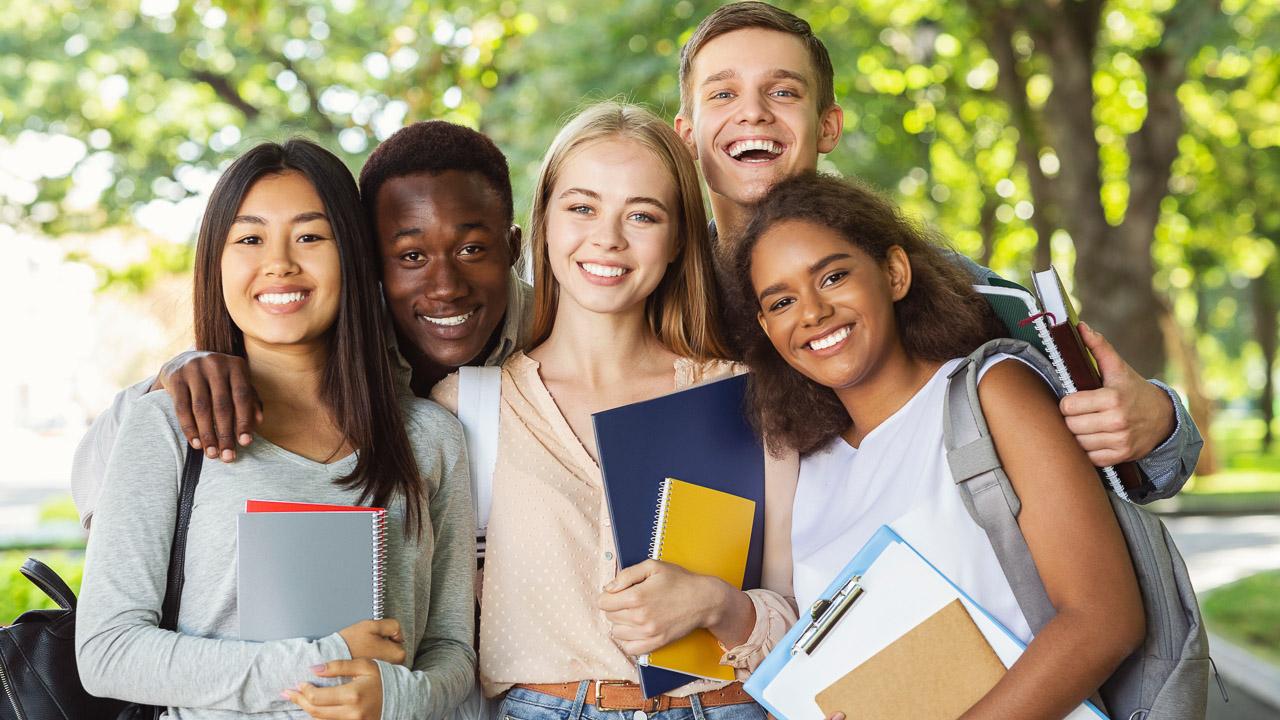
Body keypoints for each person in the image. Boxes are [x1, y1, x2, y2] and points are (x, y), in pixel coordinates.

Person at [672, 1, 1201, 500]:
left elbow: (1119, 467)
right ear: (687, 137)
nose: (754, 114)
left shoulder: (940, 285)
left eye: (783, 92)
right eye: (722, 94)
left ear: (828, 126)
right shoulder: (657, 295)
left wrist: (1156, 424)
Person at [75, 139, 476, 720]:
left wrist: (399, 694)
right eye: (249, 238)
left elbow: (450, 648)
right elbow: (107, 652)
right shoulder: (165, 425)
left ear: (355, 257)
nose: (280, 263)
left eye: (311, 237)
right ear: (217, 260)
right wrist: (322, 662)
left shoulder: (430, 438)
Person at [429, 101, 796, 719]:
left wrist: (719, 606)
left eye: (643, 215)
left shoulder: (745, 398)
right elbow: (437, 628)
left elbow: (805, 611)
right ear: (543, 221)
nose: (608, 238)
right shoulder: (468, 407)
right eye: (582, 207)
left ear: (680, 238)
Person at [732, 171, 1144, 719]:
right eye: (781, 302)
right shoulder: (808, 463)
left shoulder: (991, 391)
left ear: (894, 272)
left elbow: (1104, 619)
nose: (811, 312)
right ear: (765, 327)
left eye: (832, 277)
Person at [69, 121, 531, 529]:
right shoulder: (318, 342)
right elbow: (97, 491)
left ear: (512, 247)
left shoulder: (559, 332)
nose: (445, 287)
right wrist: (171, 379)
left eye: (471, 250)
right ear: (368, 260)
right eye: (411, 256)